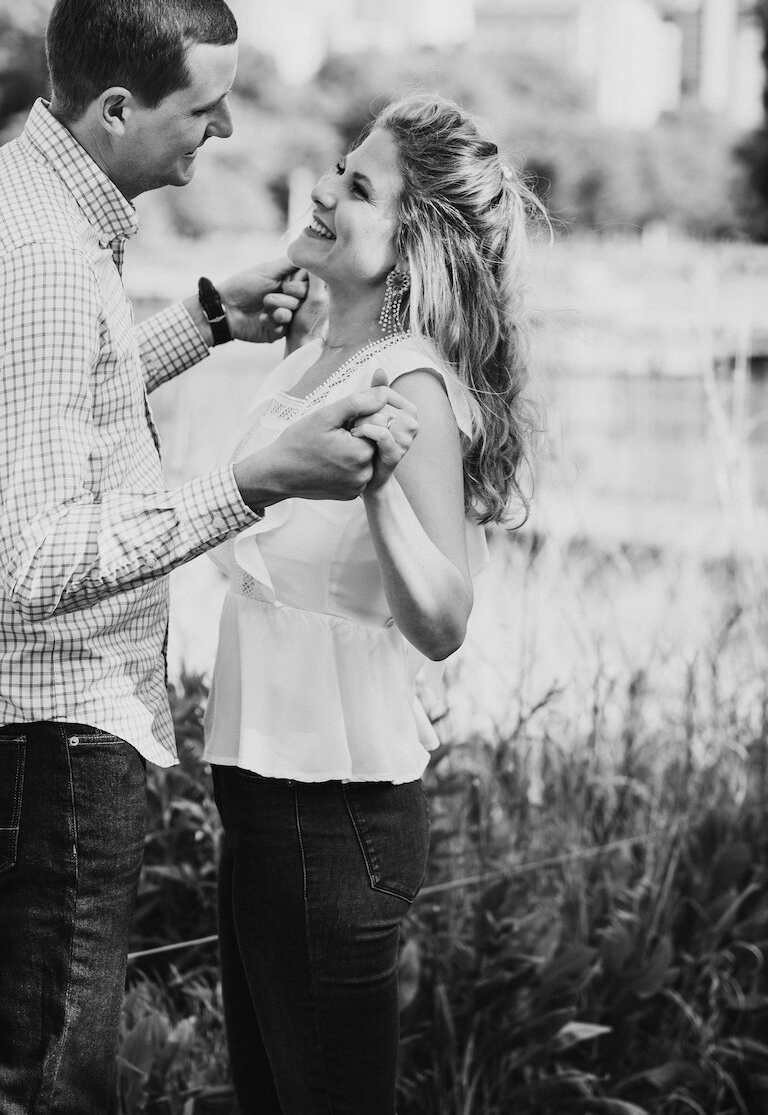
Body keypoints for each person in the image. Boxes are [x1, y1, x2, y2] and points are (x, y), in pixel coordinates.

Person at [0, 0, 412, 1115]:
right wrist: (254, 481)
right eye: (203, 104)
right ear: (119, 108)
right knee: (40, 1090)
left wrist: (207, 322)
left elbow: (53, 396)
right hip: (47, 733)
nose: (226, 127)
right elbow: (46, 556)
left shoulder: (11, 197)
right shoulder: (37, 257)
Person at [203, 91, 542, 1115]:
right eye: (337, 168)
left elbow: (442, 617)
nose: (322, 188)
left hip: (335, 809)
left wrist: (383, 490)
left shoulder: (410, 385)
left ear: (412, 248)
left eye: (360, 186)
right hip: (264, 794)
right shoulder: (312, 362)